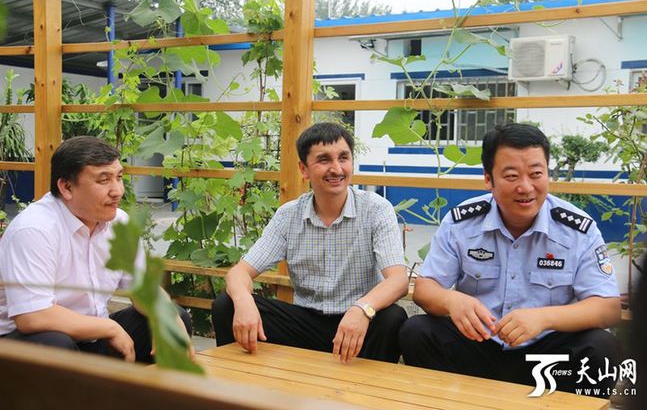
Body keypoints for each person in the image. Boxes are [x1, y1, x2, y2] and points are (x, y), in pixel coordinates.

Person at [399, 124, 621, 395]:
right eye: (512, 176)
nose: (526, 187)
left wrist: (544, 318)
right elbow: (425, 289)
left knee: (601, 348)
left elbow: (607, 307)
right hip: (478, 346)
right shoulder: (462, 222)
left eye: (536, 174)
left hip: (547, 358)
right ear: (488, 179)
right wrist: (451, 300)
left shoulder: (577, 230)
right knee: (417, 331)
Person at [212, 122, 409, 363]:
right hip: (305, 323)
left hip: (358, 323)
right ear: (303, 169)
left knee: (392, 318)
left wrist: (363, 308)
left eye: (343, 158)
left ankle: (367, 385)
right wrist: (243, 301)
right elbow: (239, 272)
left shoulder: (376, 209)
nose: (336, 168)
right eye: (324, 160)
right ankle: (237, 382)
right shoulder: (289, 215)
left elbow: (398, 280)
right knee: (227, 305)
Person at [0, 136, 191, 363]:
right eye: (104, 180)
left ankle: (142, 387)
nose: (117, 191)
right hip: (20, 345)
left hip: (91, 337)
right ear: (67, 187)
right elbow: (33, 317)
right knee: (53, 343)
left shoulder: (119, 223)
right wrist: (110, 327)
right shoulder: (34, 229)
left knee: (173, 319)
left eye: (119, 177)